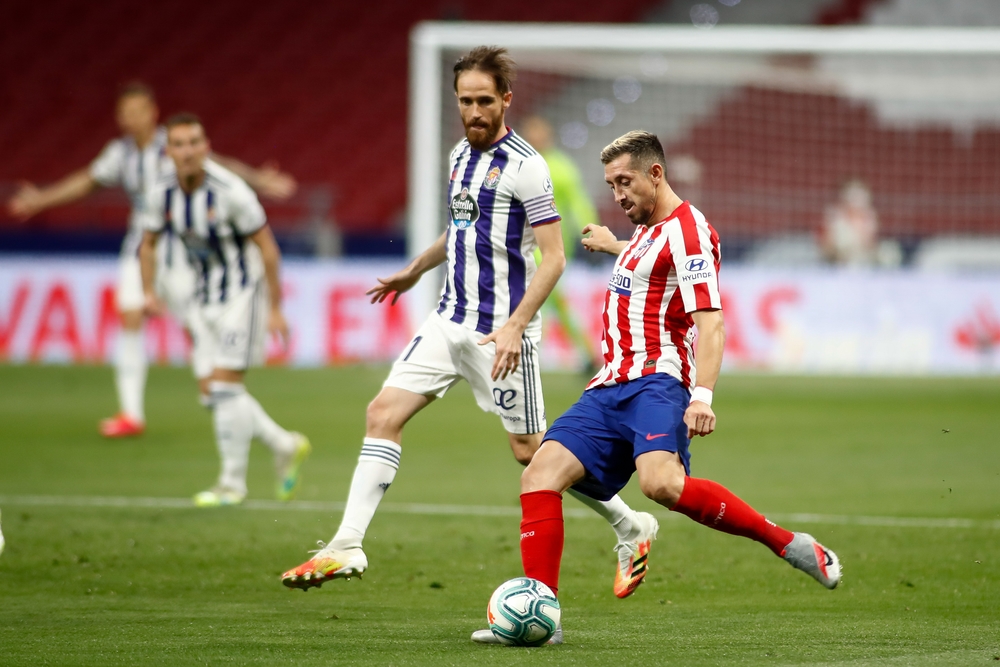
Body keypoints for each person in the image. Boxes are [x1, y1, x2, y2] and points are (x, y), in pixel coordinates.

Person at [280, 48, 656, 618]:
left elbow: (552, 258)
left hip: (498, 336)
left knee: (532, 453)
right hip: (446, 320)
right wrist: (414, 271)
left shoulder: (527, 166)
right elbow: (459, 230)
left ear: (506, 99)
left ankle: (631, 523)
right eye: (465, 100)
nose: (474, 111)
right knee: (382, 413)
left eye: (484, 100)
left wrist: (515, 326)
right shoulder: (459, 155)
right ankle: (347, 544)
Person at [500, 131, 841, 634]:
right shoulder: (647, 230)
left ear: (655, 174)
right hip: (608, 385)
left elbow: (712, 322)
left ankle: (788, 543)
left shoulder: (691, 232)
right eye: (611, 184)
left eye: (625, 181)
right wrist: (613, 244)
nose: (617, 194)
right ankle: (541, 614)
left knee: (661, 484)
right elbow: (649, 259)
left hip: (657, 384)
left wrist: (702, 395)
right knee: (538, 474)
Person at [6, 82, 297, 438]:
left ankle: (240, 408)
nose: (131, 119)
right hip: (142, 247)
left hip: (186, 255)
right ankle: (131, 413)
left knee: (200, 341)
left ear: (152, 112)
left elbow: (218, 163)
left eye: (137, 111)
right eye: (125, 113)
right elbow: (87, 180)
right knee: (129, 314)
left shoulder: (174, 144)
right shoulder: (120, 154)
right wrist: (41, 200)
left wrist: (257, 179)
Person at [138, 113, 309, 507]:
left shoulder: (231, 191)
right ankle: (284, 443)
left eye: (194, 142)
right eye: (178, 144)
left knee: (225, 386)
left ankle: (232, 484)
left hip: (242, 295)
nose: (187, 151)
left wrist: (275, 307)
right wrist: (149, 290)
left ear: (206, 147)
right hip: (202, 298)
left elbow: (267, 246)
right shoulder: (160, 192)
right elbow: (147, 243)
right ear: (169, 152)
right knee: (210, 392)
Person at [521, 116, 602, 371]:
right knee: (553, 301)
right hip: (520, 241)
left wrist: (592, 232)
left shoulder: (561, 167)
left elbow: (579, 202)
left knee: (541, 297)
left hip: (551, 246)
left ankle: (528, 354)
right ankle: (586, 353)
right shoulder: (517, 164)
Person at [819, 178, 879, 266]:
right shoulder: (835, 215)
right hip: (836, 259)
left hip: (862, 259)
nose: (857, 200)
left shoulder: (869, 217)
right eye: (853, 195)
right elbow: (827, 244)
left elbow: (870, 244)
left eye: (860, 195)